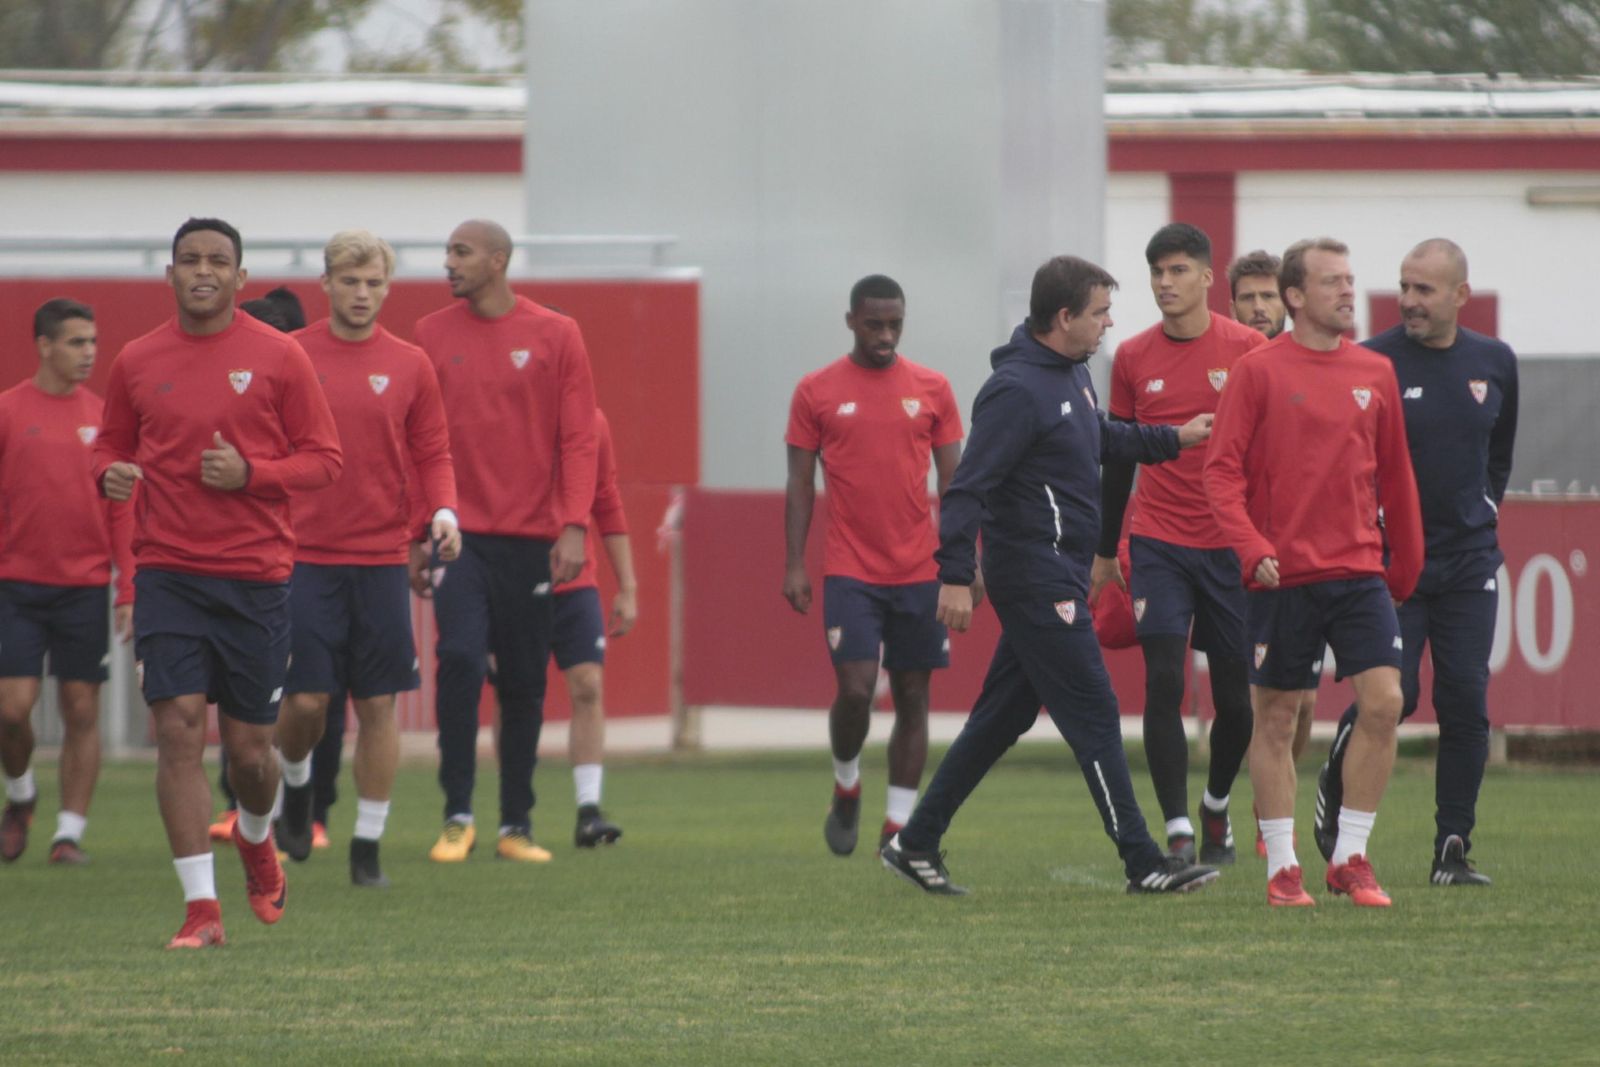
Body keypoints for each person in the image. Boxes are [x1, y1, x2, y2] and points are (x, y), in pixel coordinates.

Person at [879, 255, 1219, 896]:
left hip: (1053, 572)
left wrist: (1176, 438)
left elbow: (1102, 438)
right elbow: (966, 488)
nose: (1108, 324)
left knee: (1001, 718)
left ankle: (916, 840)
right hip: (1034, 576)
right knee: (1094, 712)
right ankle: (1143, 861)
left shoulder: (1071, 375)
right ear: (1063, 318)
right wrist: (955, 574)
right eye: (1099, 313)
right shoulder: (1016, 391)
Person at [94, 217, 343, 948]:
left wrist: (252, 476)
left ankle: (258, 838)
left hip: (256, 578)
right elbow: (110, 443)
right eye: (189, 259)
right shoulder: (137, 361)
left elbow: (325, 459)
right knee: (176, 732)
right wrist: (104, 472)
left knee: (250, 755)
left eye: (218, 261)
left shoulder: (279, 357)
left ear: (240, 278)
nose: (203, 270)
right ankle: (201, 910)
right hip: (168, 570)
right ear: (169, 273)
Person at [1203, 237, 1424, 908]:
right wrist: (1249, 546)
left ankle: (1351, 857)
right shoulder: (1258, 371)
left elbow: (1397, 475)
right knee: (1274, 719)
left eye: (1351, 279)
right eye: (1332, 281)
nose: (1348, 291)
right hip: (1281, 577)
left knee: (1386, 702)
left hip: (1358, 571)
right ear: (1296, 295)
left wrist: (1406, 564)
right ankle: (1283, 867)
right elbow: (1220, 471)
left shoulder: (1376, 371)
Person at [1314, 238, 1518, 887]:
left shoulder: (1496, 362)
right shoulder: (1372, 361)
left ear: (1460, 294)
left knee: (1466, 702)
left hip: (1469, 564)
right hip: (1391, 564)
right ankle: (1335, 789)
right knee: (1390, 699)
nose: (1409, 301)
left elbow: (1499, 452)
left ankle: (1451, 849)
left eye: (1424, 289)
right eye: (1404, 286)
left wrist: (1484, 503)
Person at [272, 230, 459, 888]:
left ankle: (367, 847)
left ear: (388, 287)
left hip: (380, 557)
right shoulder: (290, 355)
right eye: (349, 281)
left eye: (373, 282)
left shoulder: (410, 364)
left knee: (380, 704)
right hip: (302, 557)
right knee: (304, 705)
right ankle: (296, 788)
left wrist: (443, 513)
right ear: (326, 284)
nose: (361, 293)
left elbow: (433, 451)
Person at [413, 219, 597, 864]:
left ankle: (516, 824)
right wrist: (418, 534)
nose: (448, 263)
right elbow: (420, 444)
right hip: (458, 538)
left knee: (522, 681)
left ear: (498, 260)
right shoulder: (431, 335)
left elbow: (579, 438)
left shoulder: (556, 334)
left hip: (531, 542)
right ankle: (457, 814)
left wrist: (573, 524)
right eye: (448, 252)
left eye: (460, 252)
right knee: (460, 661)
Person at [1090, 224, 1262, 866]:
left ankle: (1216, 806)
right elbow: (1119, 458)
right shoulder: (1133, 357)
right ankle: (1178, 827)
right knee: (1162, 679)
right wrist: (1107, 551)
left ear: (1208, 278)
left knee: (1236, 702)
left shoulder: (1247, 349)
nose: (1166, 283)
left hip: (1228, 545)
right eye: (1157, 272)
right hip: (1158, 540)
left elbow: (1268, 451)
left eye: (1179, 270)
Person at [784, 275, 968, 856]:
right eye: (874, 325)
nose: (886, 335)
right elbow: (798, 483)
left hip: (920, 569)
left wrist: (963, 562)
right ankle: (846, 783)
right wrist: (794, 563)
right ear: (851, 322)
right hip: (850, 569)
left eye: (895, 324)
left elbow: (954, 481)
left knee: (913, 696)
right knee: (858, 690)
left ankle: (897, 828)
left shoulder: (933, 388)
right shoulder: (816, 391)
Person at [0, 299, 134, 866]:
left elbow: (122, 509)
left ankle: (69, 834)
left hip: (83, 586)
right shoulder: (8, 412)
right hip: (16, 585)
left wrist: (127, 586)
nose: (88, 354)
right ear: (45, 345)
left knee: (81, 709)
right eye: (77, 343)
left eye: (93, 343)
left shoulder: (103, 418)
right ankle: (22, 793)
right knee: (12, 709)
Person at [208, 286, 308, 842]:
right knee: (211, 707)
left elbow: (326, 463)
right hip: (226, 566)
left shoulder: (303, 386)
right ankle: (241, 809)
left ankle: (307, 801)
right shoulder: (222, 389)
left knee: (313, 692)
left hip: (302, 562)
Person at [1227, 249, 1315, 858]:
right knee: (1262, 697)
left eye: (1267, 296)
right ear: (1229, 303)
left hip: (1302, 550)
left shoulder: (1311, 362)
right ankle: (1240, 818)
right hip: (1236, 549)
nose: (1259, 308)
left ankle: (1268, 800)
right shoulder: (1224, 366)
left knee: (1304, 702)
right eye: (1247, 298)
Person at [551, 407, 637, 847]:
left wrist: (628, 585)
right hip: (511, 569)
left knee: (588, 683)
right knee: (513, 687)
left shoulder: (593, 422)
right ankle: (510, 819)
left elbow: (605, 497)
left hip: (576, 577)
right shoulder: (508, 411)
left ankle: (589, 810)